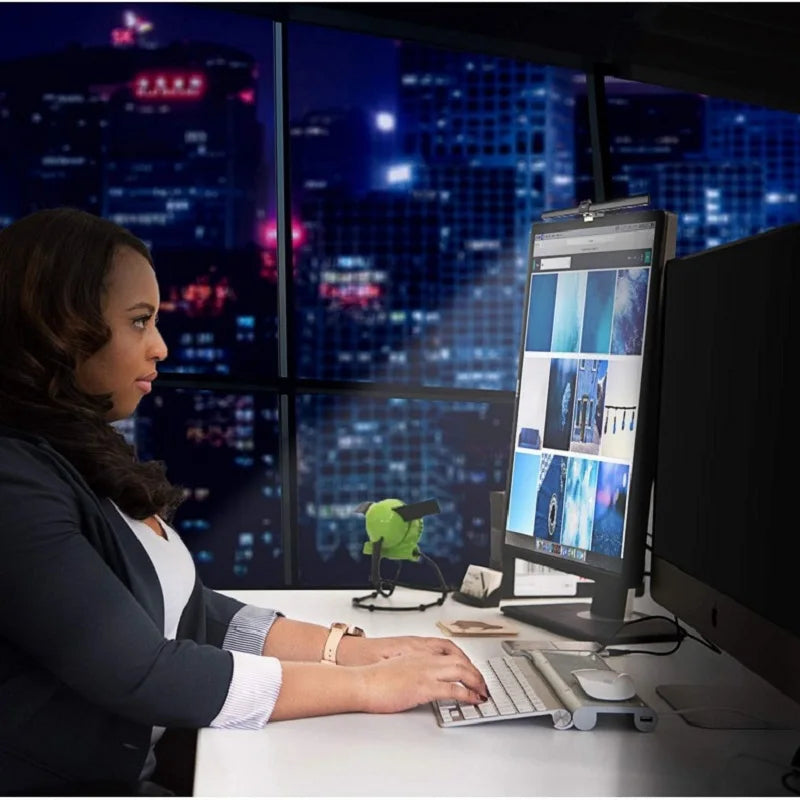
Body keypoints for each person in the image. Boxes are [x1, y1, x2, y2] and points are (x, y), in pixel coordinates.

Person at [0, 208, 488, 796]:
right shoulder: (13, 481)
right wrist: (371, 688)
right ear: (61, 327)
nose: (160, 346)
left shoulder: (72, 449)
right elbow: (144, 671)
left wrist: (353, 652)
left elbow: (192, 611)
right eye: (139, 322)